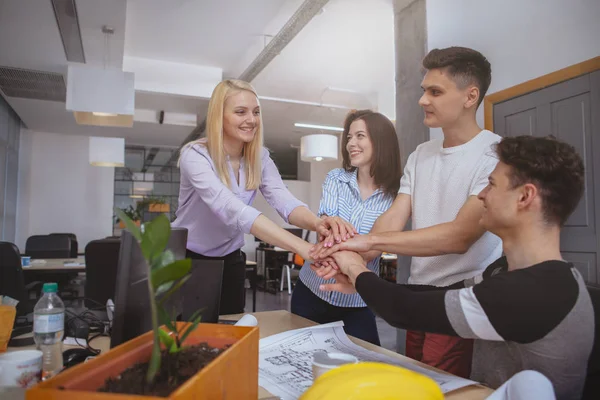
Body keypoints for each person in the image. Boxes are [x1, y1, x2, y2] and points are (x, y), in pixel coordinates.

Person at [315, 136, 594, 400]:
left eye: (492, 185)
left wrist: (354, 267)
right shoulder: (507, 271)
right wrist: (360, 282)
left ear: (524, 197)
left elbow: (406, 310)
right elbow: (436, 295)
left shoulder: (535, 291)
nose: (482, 195)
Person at [311, 46, 503, 377]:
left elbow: (459, 236)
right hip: (418, 292)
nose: (422, 100)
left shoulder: (493, 154)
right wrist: (352, 250)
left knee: (440, 386)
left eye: (435, 92)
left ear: (470, 96)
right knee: (415, 377)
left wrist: (361, 247)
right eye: (423, 90)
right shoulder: (421, 154)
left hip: (461, 295)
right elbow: (392, 223)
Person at [172, 79, 356, 315]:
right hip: (190, 259)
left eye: (256, 112)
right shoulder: (195, 155)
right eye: (240, 112)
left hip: (231, 260)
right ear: (220, 116)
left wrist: (318, 223)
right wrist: (304, 248)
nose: (251, 120)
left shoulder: (260, 158)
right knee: (191, 341)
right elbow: (232, 210)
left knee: (232, 333)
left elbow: (283, 200)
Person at [291, 110, 402, 345]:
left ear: (380, 141)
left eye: (360, 136)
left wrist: (343, 252)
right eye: (349, 137)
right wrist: (338, 242)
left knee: (364, 370)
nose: (351, 143)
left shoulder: (396, 196)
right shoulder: (335, 178)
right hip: (312, 290)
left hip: (357, 301)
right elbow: (327, 231)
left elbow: (376, 245)